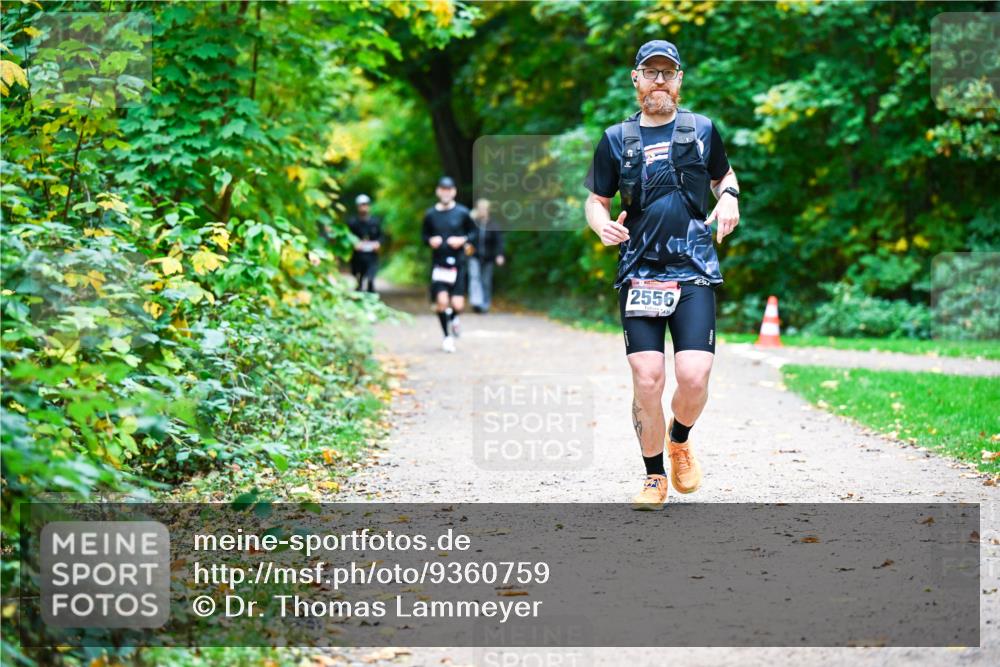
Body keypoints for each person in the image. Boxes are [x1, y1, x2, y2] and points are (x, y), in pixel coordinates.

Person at [583, 40, 740, 510]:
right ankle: (654, 476)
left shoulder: (703, 130)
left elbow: (724, 178)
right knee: (647, 377)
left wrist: (729, 197)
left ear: (679, 80)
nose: (659, 81)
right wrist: (600, 225)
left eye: (667, 73)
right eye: (650, 73)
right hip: (640, 272)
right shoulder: (616, 139)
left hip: (692, 267)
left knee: (694, 376)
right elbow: (596, 200)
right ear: (635, 79)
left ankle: (679, 440)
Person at [422, 176, 475, 353]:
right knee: (442, 302)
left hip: (458, 264)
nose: (446, 192)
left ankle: (454, 319)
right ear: (438, 191)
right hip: (439, 265)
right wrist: (430, 240)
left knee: (458, 305)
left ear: (454, 192)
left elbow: (474, 233)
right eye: (442, 189)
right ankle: (447, 337)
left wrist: (463, 240)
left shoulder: (462, 212)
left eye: (449, 189)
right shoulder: (430, 214)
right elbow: (423, 236)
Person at [467, 198, 505, 314]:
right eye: (480, 209)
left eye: (484, 209)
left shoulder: (493, 225)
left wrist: (499, 255)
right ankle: (476, 302)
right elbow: (467, 236)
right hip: (474, 256)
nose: (482, 211)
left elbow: (499, 242)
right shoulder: (472, 223)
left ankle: (485, 304)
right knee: (474, 278)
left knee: (485, 281)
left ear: (488, 210)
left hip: (488, 258)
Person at [347, 194, 383, 293]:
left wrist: (378, 244)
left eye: (365, 205)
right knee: (359, 279)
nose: (364, 207)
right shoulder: (352, 222)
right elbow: (347, 237)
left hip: (371, 256)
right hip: (358, 256)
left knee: (370, 279)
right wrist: (354, 243)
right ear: (358, 207)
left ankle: (371, 298)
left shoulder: (375, 222)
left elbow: (381, 236)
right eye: (361, 205)